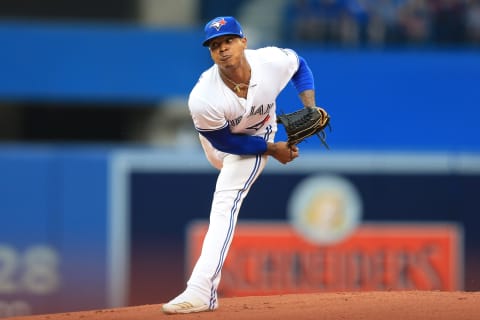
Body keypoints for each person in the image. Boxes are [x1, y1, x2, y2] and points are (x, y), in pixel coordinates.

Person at [162, 16, 319, 314]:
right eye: (215, 45)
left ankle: (200, 290)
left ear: (244, 42)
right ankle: (200, 290)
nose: (222, 49)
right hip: (218, 140)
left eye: (229, 41)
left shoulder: (270, 60)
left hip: (259, 131)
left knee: (224, 202)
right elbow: (225, 144)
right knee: (221, 164)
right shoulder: (203, 97)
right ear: (210, 52)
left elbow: (299, 64)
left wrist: (309, 106)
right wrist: (274, 151)